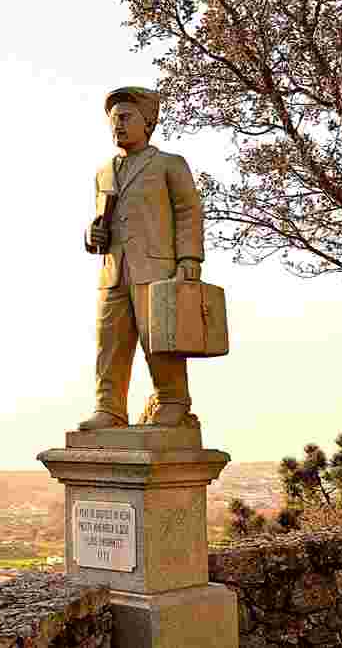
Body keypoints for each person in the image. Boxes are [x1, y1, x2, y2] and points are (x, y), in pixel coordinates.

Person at [79, 86, 204, 431]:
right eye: (112, 119)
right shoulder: (103, 173)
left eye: (125, 117)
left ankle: (172, 399)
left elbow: (188, 211)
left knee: (160, 337)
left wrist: (189, 257)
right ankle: (109, 408)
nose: (116, 125)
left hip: (157, 266)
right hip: (114, 271)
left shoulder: (169, 164)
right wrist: (92, 236)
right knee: (109, 341)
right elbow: (103, 221)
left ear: (147, 121)